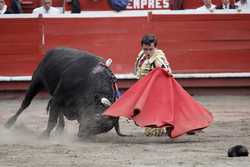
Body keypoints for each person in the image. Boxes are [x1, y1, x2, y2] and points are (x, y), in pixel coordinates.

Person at [135, 34, 172, 137]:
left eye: (150, 49)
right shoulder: (141, 55)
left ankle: (160, 128)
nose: (147, 52)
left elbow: (168, 74)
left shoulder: (159, 58)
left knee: (155, 112)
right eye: (145, 49)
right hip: (144, 88)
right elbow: (138, 70)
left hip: (156, 89)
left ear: (155, 47)